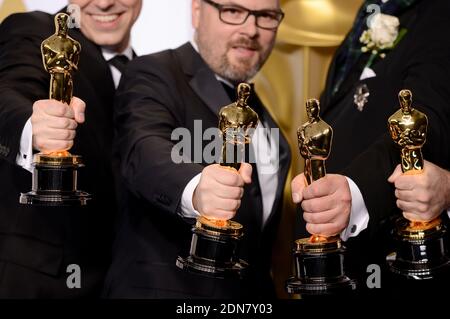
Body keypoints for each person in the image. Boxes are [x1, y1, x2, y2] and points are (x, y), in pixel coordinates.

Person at [103, 0, 291, 298]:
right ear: (197, 11)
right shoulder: (154, 72)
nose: (251, 29)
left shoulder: (261, 111)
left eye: (266, 16)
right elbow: (143, 149)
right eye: (233, 11)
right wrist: (197, 189)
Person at [291, 0, 450, 294]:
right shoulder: (370, 11)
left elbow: (423, 123)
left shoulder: (439, 14)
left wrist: (354, 191)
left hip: (387, 264)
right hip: (335, 263)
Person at [0, 0, 142, 298]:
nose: (104, 3)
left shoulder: (150, 76)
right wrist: (31, 125)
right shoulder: (37, 32)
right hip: (36, 284)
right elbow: (9, 90)